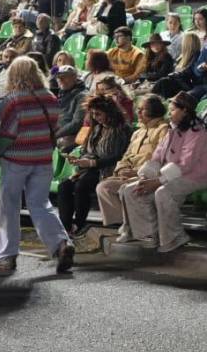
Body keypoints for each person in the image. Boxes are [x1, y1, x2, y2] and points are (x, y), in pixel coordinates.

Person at [0, 57, 76, 275]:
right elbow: (55, 127)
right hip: (43, 158)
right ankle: (61, 243)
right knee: (41, 204)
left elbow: (8, 133)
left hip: (16, 159)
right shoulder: (50, 97)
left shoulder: (13, 100)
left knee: (10, 207)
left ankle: (6, 256)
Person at [118, 91, 207, 253]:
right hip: (170, 175)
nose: (169, 114)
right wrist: (145, 177)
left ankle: (175, 236)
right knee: (132, 190)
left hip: (195, 177)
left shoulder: (197, 132)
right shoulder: (173, 129)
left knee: (163, 192)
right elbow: (157, 157)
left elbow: (185, 165)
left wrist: (157, 181)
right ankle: (150, 234)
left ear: (185, 110)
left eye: (173, 110)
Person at [93, 95, 170, 248]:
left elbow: (160, 160)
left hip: (147, 175)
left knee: (123, 189)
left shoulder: (164, 130)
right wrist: (121, 169)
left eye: (143, 110)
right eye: (138, 109)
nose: (138, 113)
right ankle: (126, 224)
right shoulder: (137, 132)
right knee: (103, 187)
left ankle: (132, 228)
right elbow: (126, 155)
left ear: (154, 111)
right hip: (128, 173)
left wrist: (136, 172)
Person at [56, 95, 131, 237]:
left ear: (109, 112)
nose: (95, 117)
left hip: (108, 169)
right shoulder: (97, 128)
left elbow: (118, 156)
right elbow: (87, 150)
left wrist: (92, 163)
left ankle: (79, 224)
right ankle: (65, 227)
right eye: (93, 114)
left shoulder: (121, 129)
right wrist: (80, 160)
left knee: (81, 186)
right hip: (89, 169)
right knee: (64, 186)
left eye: (98, 114)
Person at [52, 66, 89, 150]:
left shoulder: (82, 96)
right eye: (58, 78)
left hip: (72, 136)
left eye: (64, 77)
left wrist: (55, 135)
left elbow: (77, 123)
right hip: (59, 133)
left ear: (74, 77)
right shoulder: (63, 92)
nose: (60, 80)